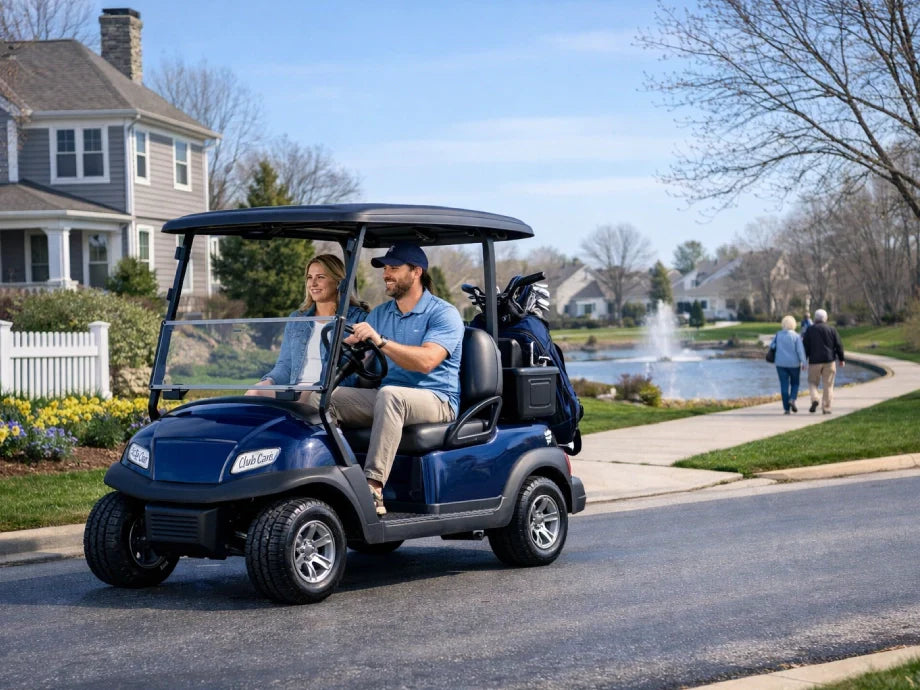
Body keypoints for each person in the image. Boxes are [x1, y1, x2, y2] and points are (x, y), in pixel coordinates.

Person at [311, 242, 464, 516]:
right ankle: (327, 477)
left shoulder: (443, 313)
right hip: (389, 398)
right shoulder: (381, 313)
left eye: (394, 268)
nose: (386, 274)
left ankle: (372, 487)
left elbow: (427, 361)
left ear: (416, 272)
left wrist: (380, 341)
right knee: (322, 399)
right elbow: (364, 357)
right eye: (385, 269)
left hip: (437, 399)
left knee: (391, 394)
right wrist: (345, 346)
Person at [247, 254, 368, 396]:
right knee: (253, 394)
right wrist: (267, 382)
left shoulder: (358, 318)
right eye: (310, 277)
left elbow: (353, 371)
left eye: (320, 277)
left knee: (307, 396)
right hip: (295, 390)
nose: (313, 283)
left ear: (338, 282)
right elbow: (285, 365)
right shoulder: (297, 319)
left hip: (331, 391)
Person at [801, 308, 845, 414]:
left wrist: (804, 361)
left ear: (815, 318)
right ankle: (826, 407)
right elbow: (839, 345)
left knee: (812, 382)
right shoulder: (832, 329)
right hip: (829, 360)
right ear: (826, 318)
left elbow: (805, 347)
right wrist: (841, 359)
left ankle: (815, 398)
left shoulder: (810, 330)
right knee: (828, 385)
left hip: (814, 361)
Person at [769, 315, 807, 414]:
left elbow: (772, 345)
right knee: (795, 383)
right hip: (794, 364)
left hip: (780, 364)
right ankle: (792, 399)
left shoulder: (778, 334)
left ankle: (786, 409)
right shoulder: (796, 336)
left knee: (784, 385)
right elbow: (800, 351)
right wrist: (804, 362)